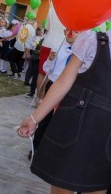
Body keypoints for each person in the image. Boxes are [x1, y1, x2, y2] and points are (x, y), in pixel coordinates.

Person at [17, 0, 111, 194]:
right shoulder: (91, 41)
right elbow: (63, 82)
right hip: (72, 128)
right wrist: (35, 117)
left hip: (105, 141)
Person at [27, 29, 81, 160]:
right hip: (53, 85)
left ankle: (51, 150)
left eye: (75, 31)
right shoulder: (59, 47)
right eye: (68, 30)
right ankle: (36, 147)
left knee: (59, 121)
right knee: (45, 118)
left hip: (69, 89)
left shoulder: (82, 53)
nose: (70, 33)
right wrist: (50, 60)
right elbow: (47, 69)